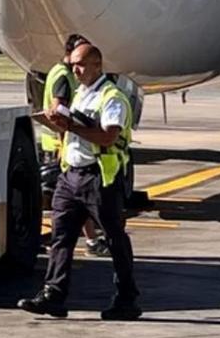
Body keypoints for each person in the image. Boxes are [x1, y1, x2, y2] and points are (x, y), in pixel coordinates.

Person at [19, 43, 141, 320]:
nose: (76, 69)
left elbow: (108, 137)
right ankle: (53, 295)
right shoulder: (81, 93)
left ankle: (127, 299)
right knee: (60, 237)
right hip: (71, 175)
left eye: (82, 64)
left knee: (114, 238)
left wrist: (71, 125)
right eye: (73, 64)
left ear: (98, 66)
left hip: (99, 178)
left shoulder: (111, 97)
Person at [34, 34, 110, 258]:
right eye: (79, 60)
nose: (80, 67)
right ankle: (91, 241)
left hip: (62, 142)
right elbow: (58, 107)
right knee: (68, 202)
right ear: (71, 55)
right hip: (62, 144)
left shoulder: (59, 71)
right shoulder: (63, 76)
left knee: (67, 203)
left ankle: (90, 240)